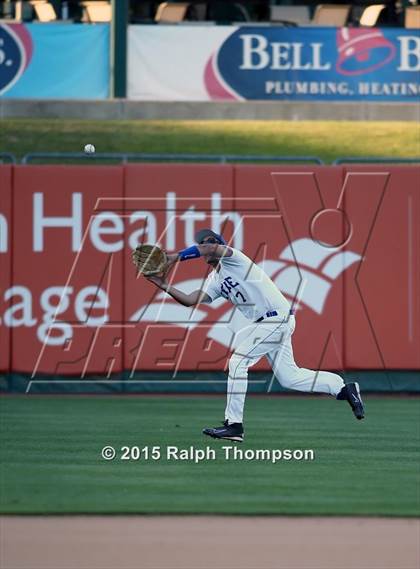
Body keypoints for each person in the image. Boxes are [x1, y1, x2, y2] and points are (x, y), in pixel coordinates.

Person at [145, 229, 365, 442]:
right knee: (290, 377)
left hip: (275, 320)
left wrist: (172, 258)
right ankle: (343, 388)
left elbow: (212, 247)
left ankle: (234, 426)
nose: (204, 246)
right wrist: (162, 284)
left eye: (207, 242)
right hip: (271, 323)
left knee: (238, 362)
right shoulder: (215, 279)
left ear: (218, 244)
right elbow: (191, 299)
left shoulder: (236, 259)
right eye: (202, 243)